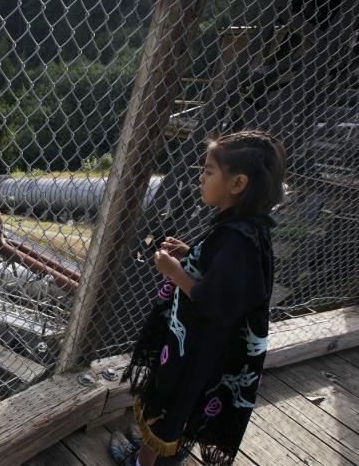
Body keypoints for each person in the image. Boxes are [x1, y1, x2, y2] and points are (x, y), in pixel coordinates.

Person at [112, 131, 286, 466]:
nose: (200, 178)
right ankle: (160, 453)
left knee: (167, 404)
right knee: (185, 409)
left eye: (208, 171)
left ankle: (143, 461)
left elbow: (218, 302)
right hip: (209, 352)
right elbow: (228, 280)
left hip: (192, 352)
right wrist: (192, 255)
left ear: (237, 184)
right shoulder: (248, 229)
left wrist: (176, 271)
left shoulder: (238, 240)